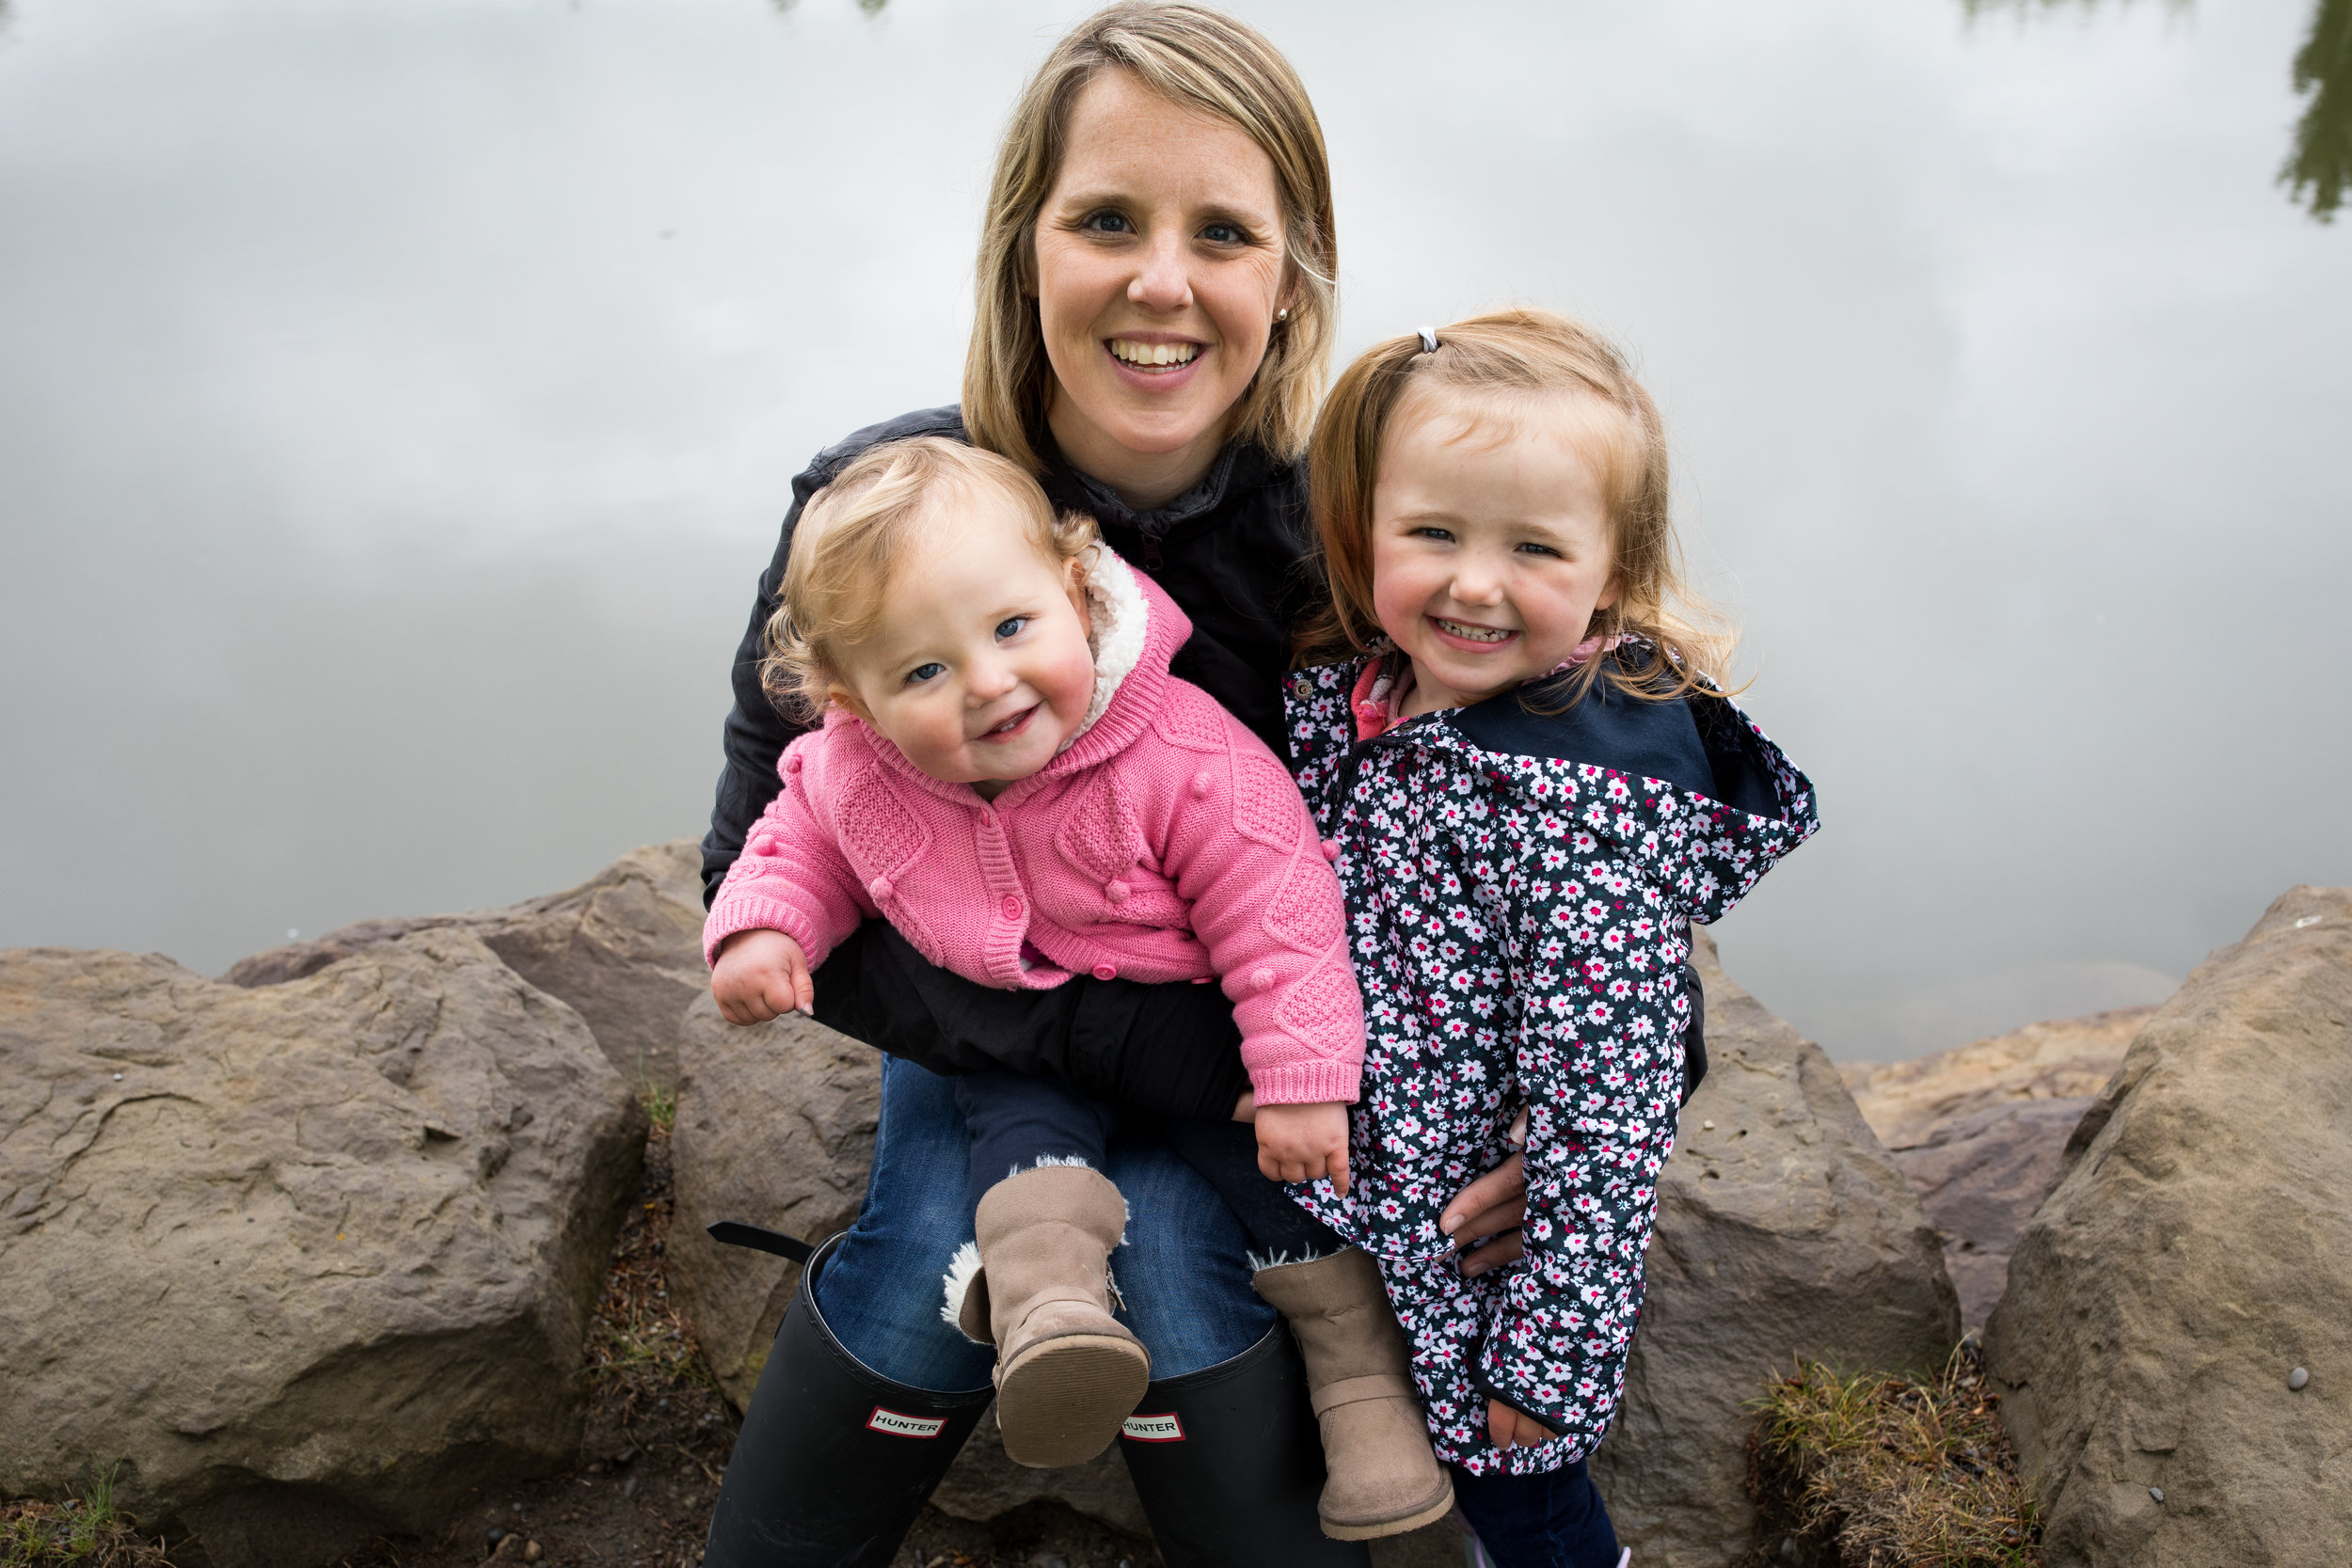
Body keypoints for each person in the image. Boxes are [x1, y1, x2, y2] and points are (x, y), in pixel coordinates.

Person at [692, 8, 1490, 1565]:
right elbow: (759, 843)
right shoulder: (883, 521)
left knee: (1191, 1279)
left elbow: (1557, 774)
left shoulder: (1343, 530)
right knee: (937, 1252)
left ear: (1292, 273)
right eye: (1107, 219)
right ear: (1024, 243)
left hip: (1264, 1028)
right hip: (1007, 1015)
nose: (1160, 282)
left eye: (1224, 232)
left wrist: (1621, 1070)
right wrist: (1132, 1046)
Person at [704, 434, 1451, 1537]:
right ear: (844, 697)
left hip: (1198, 1025)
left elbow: (1279, 911)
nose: (987, 683)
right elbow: (796, 836)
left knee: (1271, 1178)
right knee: (1011, 1117)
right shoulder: (860, 756)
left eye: (1011, 630)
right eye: (923, 671)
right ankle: (1052, 1316)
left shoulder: (1179, 749)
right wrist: (764, 928)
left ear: (1076, 589)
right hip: (994, 1020)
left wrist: (1298, 1071)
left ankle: (1357, 1379)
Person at [1279, 309, 1822, 1568]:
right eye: (1433, 533)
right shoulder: (1351, 693)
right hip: (1358, 1195)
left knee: (1519, 1504)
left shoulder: (1576, 802)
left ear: (1611, 571)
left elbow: (1607, 1100)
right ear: (1370, 532)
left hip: (1475, 1261)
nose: (1474, 582)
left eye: (1533, 545)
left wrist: (1554, 1354)